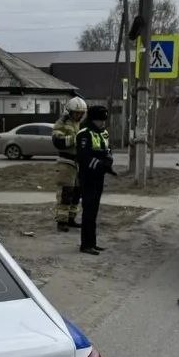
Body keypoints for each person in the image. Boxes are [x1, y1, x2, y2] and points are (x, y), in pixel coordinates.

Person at [75, 104, 116, 255]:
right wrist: (100, 165)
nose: (103, 123)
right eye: (100, 120)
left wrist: (108, 163)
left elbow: (108, 149)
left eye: (104, 120)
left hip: (99, 178)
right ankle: (85, 245)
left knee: (94, 211)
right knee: (88, 211)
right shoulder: (84, 133)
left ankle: (92, 242)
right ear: (93, 119)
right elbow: (84, 158)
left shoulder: (103, 132)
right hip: (88, 177)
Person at [51, 96, 87, 232]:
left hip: (78, 163)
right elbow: (57, 141)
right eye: (76, 113)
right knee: (66, 192)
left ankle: (71, 219)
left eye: (81, 113)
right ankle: (61, 221)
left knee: (77, 193)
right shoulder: (62, 122)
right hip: (66, 163)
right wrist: (75, 139)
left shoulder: (79, 124)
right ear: (70, 111)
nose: (78, 115)